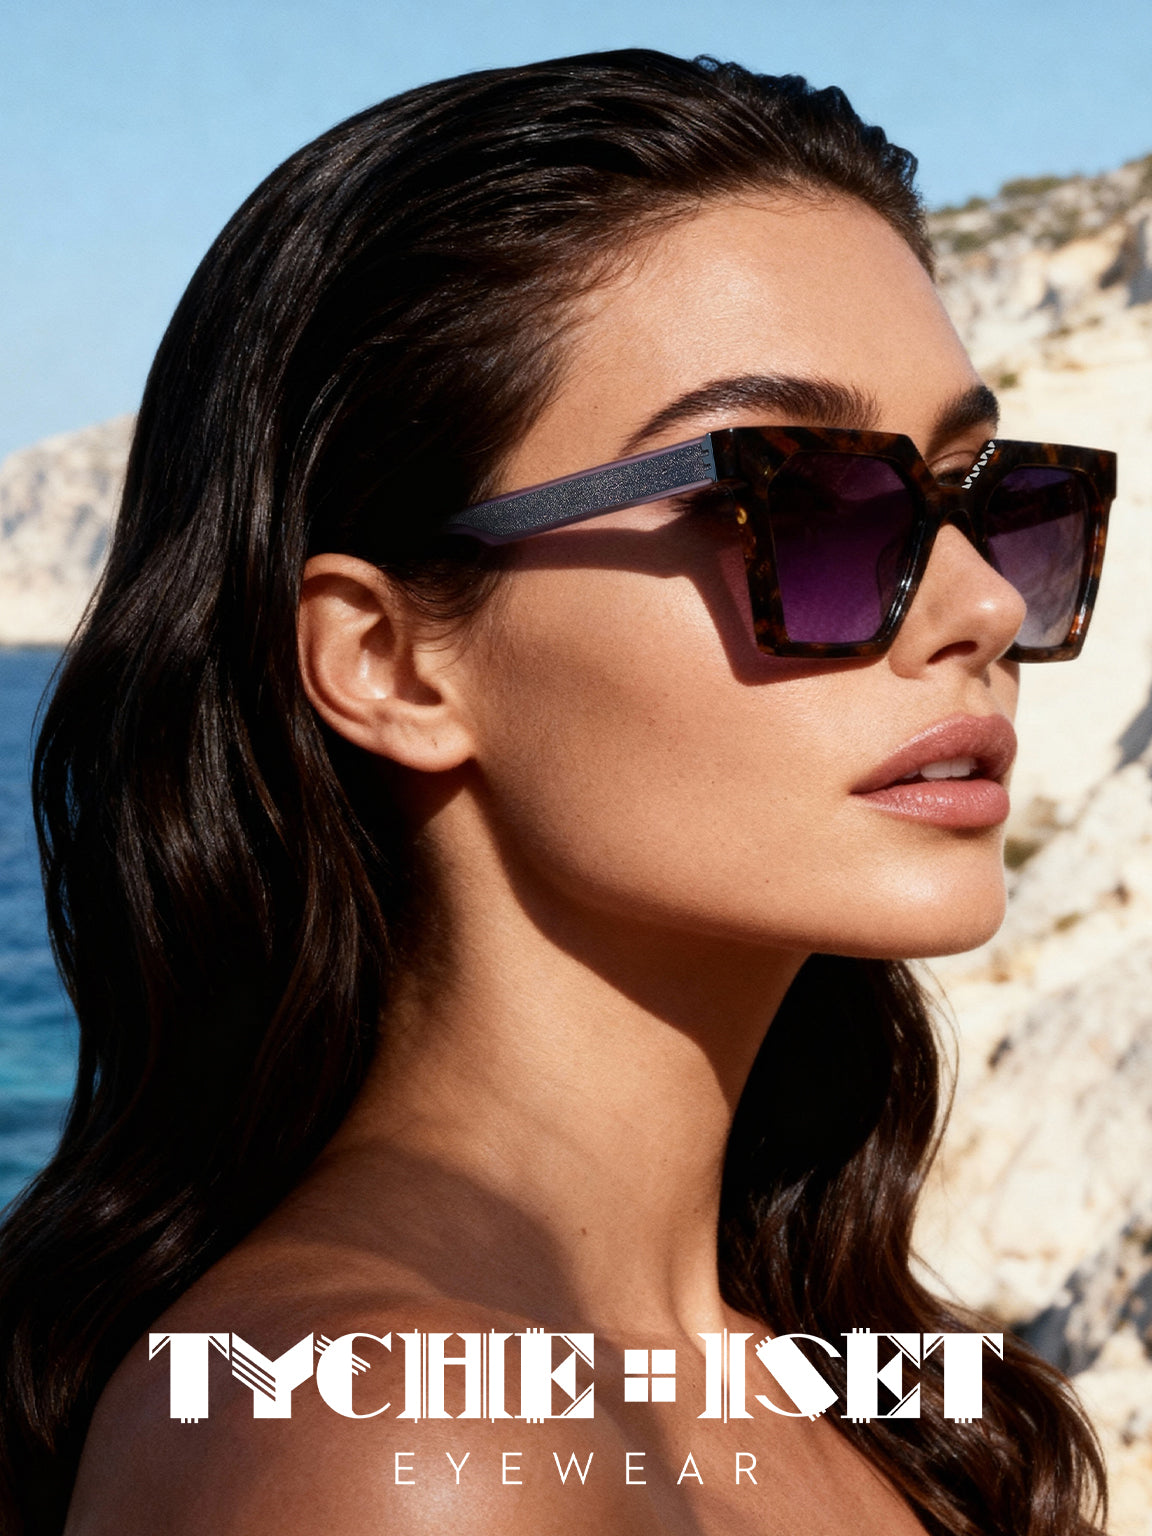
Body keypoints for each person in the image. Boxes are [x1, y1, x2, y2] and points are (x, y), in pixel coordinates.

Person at [0, 50, 1115, 1536]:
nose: (980, 603)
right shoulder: (390, 1445)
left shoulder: (841, 1395)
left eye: (987, 498)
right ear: (389, 663)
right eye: (794, 499)